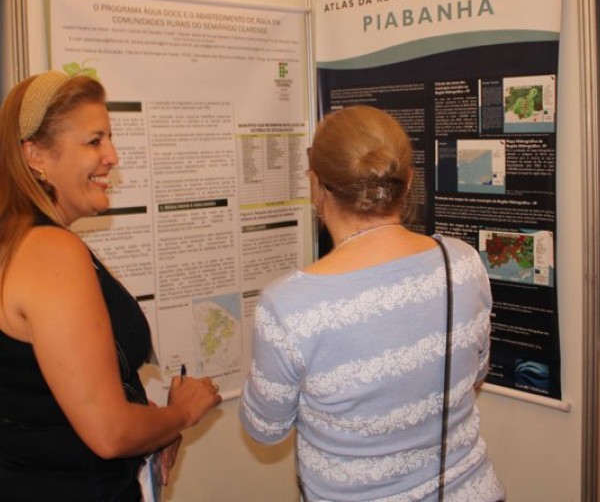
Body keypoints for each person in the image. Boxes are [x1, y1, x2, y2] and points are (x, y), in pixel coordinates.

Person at [240, 105, 505, 501]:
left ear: (316, 186)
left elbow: (265, 428)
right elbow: (476, 373)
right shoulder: (463, 263)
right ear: (408, 181)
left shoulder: (290, 306)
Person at [0, 71, 222, 501]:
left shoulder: (20, 240)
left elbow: (57, 403)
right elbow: (109, 433)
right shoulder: (50, 250)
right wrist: (182, 412)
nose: (113, 156)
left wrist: (153, 430)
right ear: (36, 155)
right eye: (94, 141)